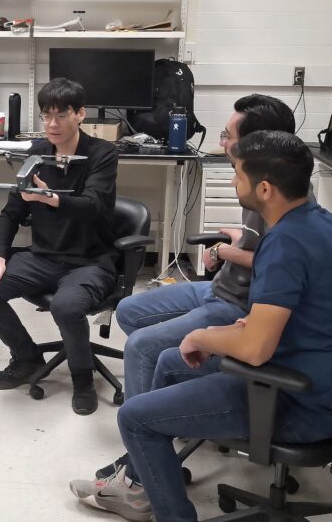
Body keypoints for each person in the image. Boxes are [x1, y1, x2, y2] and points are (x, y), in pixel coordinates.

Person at [70, 131, 332, 522]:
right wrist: (244, 328)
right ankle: (146, 482)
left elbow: (256, 349)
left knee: (134, 418)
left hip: (297, 402)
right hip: (318, 377)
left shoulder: (285, 245)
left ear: (264, 188)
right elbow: (301, 310)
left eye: (237, 175)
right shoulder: (324, 224)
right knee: (168, 361)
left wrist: (202, 336)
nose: (232, 181)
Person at [91, 94, 299, 482]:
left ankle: (141, 460)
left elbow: (279, 263)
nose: (220, 141)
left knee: (140, 346)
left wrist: (226, 251)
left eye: (226, 134)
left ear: (254, 144)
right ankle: (173, 401)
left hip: (239, 305)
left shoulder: (278, 191)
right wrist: (236, 241)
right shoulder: (253, 180)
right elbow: (263, 242)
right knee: (129, 311)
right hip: (219, 289)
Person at [0, 77, 118, 416]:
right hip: (43, 257)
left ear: (80, 114)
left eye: (61, 115)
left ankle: (83, 379)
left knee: (65, 307)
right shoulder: (37, 153)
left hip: (89, 261)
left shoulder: (102, 154)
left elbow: (93, 206)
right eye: (45, 116)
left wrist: (49, 198)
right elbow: (11, 212)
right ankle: (26, 358)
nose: (52, 124)